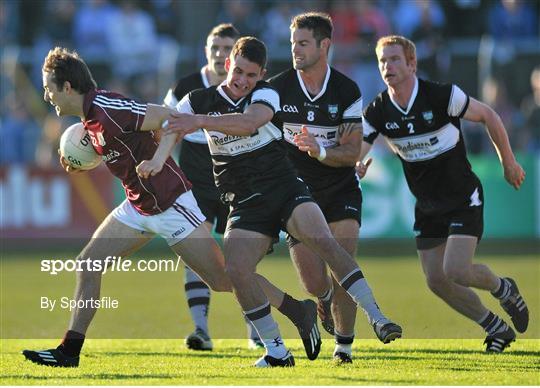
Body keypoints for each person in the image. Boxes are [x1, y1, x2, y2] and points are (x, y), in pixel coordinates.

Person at [22, 47, 319, 368]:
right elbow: (120, 150)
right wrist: (83, 163)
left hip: (171, 204)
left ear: (67, 87)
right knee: (88, 264)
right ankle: (69, 351)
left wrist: (159, 157)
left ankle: (295, 311)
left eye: (49, 87)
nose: (46, 95)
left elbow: (168, 117)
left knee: (222, 280)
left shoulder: (108, 109)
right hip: (137, 206)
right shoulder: (90, 120)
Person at [159, 36, 402, 367]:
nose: (243, 81)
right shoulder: (196, 98)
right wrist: (157, 158)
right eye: (239, 72)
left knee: (328, 245)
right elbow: (168, 126)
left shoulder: (266, 95)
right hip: (245, 201)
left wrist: (199, 122)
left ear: (261, 76)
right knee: (237, 271)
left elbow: (249, 123)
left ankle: (377, 317)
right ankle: (276, 349)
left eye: (251, 75)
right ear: (228, 65)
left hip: (284, 188)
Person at [357, 35, 529, 353]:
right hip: (428, 206)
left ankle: (503, 288)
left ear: (412, 63)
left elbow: (489, 116)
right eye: (382, 60)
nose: (387, 66)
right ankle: (496, 328)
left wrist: (509, 162)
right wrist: (356, 163)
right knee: (436, 280)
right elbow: (357, 150)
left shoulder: (441, 95)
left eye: (394, 59)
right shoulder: (379, 110)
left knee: (456, 270)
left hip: (463, 197)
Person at [268, 12, 401, 365]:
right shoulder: (277, 89)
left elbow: (350, 154)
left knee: (344, 264)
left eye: (303, 43)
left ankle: (344, 348)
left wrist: (320, 150)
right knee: (313, 283)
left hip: (341, 189)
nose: (295, 49)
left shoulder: (346, 90)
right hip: (296, 195)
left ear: (325, 45)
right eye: (293, 43)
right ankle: (323, 300)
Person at [163, 23, 261, 352]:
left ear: (237, 54)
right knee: (196, 256)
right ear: (206, 51)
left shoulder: (249, 91)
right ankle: (201, 330)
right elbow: (167, 130)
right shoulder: (186, 88)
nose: (219, 54)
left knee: (242, 259)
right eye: (213, 48)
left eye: (226, 49)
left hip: (239, 182)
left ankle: (256, 330)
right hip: (196, 186)